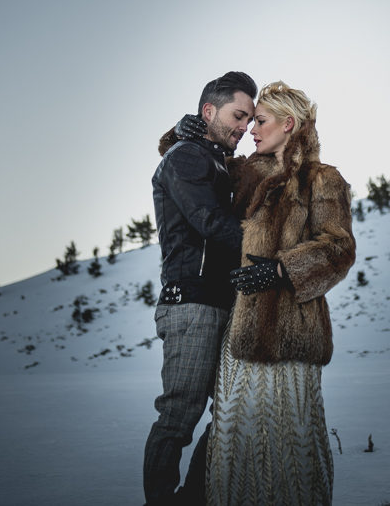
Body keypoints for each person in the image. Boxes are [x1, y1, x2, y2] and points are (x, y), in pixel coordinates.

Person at [205, 81, 356, 505]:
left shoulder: (322, 180)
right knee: (234, 444)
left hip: (290, 335)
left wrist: (282, 269)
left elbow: (340, 247)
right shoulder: (248, 175)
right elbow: (203, 167)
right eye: (250, 121)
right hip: (240, 335)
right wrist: (186, 134)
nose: (252, 129)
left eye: (261, 121)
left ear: (289, 125)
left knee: (291, 450)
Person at [143, 71, 257, 506]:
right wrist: (270, 247)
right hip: (191, 305)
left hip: (223, 304)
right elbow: (208, 220)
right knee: (179, 416)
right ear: (208, 111)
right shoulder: (187, 157)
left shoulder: (212, 158)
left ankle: (193, 497)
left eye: (249, 119)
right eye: (237, 115)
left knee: (229, 412)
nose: (244, 127)